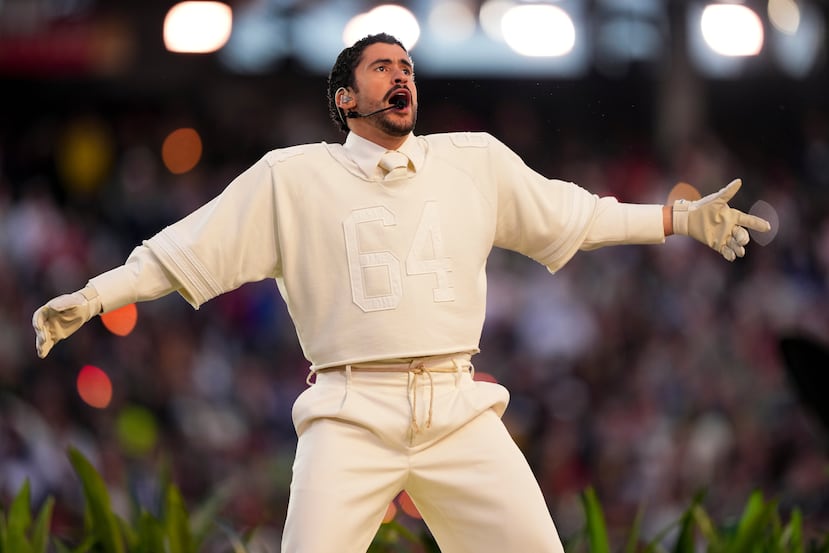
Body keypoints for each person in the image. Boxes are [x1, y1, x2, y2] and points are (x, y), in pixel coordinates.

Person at [33, 33, 771, 553]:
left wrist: (679, 217)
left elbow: (577, 215)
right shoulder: (291, 175)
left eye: (408, 67)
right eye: (382, 66)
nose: (401, 76)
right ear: (345, 97)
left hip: (458, 405)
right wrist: (98, 294)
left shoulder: (474, 160)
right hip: (349, 412)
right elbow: (185, 247)